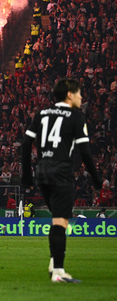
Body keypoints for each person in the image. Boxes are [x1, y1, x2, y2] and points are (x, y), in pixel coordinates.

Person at [22, 78, 103, 283]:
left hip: (42, 172)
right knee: (59, 222)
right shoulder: (76, 117)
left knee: (60, 219)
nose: (81, 97)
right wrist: (96, 179)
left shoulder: (41, 114)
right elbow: (84, 151)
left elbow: (25, 144)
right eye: (78, 93)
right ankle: (58, 272)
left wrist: (26, 175)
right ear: (69, 94)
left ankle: (53, 261)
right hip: (61, 171)